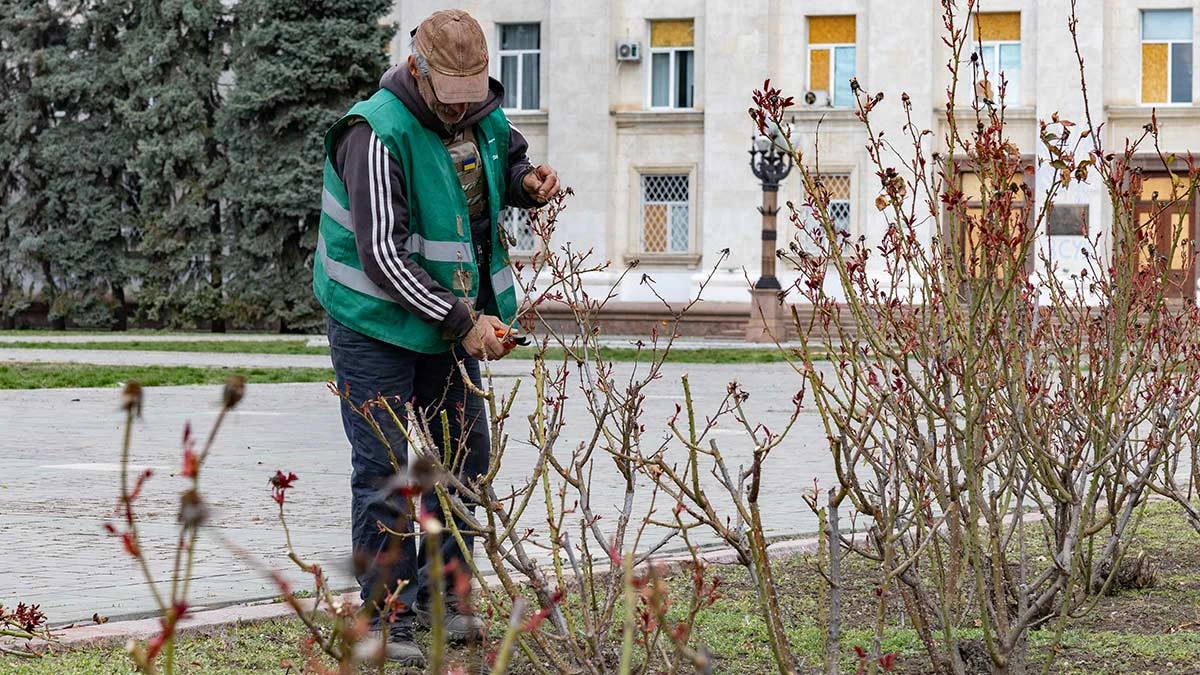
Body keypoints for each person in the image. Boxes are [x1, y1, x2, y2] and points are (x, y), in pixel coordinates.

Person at [311, 8, 560, 667]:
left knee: (463, 459)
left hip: (442, 322)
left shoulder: (482, 112)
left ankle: (442, 601)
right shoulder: (374, 134)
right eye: (448, 101)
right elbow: (385, 257)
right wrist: (465, 322)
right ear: (417, 70)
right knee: (389, 469)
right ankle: (376, 618)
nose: (459, 114)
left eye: (469, 101)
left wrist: (528, 185)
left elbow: (498, 166)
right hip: (374, 324)